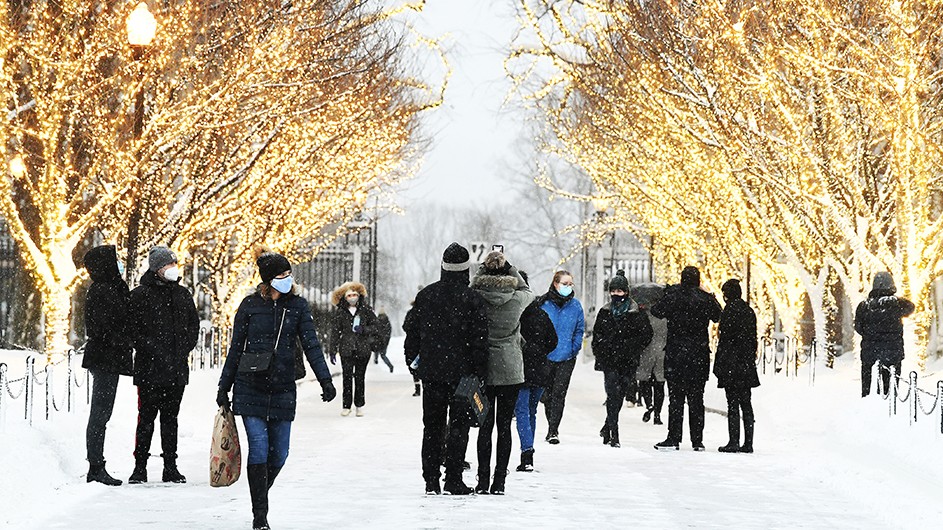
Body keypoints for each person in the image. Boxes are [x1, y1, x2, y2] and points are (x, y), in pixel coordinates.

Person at [217, 251, 337, 530]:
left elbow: (311, 344)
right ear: (268, 279)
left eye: (288, 275)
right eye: (281, 275)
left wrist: (325, 380)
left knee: (280, 453)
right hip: (250, 385)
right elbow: (235, 348)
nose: (287, 279)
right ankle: (260, 514)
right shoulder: (249, 306)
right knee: (258, 446)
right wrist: (224, 385)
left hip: (283, 386)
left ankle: (259, 492)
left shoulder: (298, 306)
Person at [403, 242, 489, 495]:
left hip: (432, 372)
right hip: (463, 374)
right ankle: (453, 478)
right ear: (466, 270)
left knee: (432, 425)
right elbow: (479, 340)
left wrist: (415, 365)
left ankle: (431, 479)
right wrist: (479, 372)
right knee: (459, 426)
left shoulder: (426, 296)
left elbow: (412, 334)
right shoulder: (473, 299)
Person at [127, 246, 200, 483]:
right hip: (149, 369)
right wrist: (153, 350)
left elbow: (193, 326)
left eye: (173, 264)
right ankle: (140, 467)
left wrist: (182, 349)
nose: (172, 269)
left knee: (171, 419)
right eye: (168, 265)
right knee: (146, 419)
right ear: (157, 268)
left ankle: (171, 465)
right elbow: (134, 331)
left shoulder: (182, 294)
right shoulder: (140, 295)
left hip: (176, 369)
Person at [471, 252, 533, 494]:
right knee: (504, 426)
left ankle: (482, 480)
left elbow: (470, 285)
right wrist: (510, 268)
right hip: (510, 368)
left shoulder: (476, 296)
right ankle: (500, 481)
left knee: (485, 426)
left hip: (484, 368)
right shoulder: (517, 298)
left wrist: (481, 273)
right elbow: (528, 289)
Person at [651, 266, 721, 451]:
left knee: (676, 399)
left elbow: (656, 310)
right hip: (698, 355)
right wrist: (709, 294)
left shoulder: (673, 297)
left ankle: (673, 437)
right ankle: (697, 441)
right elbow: (717, 315)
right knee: (697, 399)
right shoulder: (704, 299)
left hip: (676, 355)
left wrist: (670, 292)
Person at [82, 245, 134, 486]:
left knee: (102, 412)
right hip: (105, 359)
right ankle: (95, 465)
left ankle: (97, 463)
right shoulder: (103, 291)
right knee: (100, 413)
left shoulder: (110, 288)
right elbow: (105, 328)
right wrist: (125, 339)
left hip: (108, 358)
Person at [592, 271, 653, 448]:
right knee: (612, 393)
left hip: (628, 360)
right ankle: (614, 432)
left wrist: (633, 346)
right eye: (613, 291)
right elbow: (597, 336)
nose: (616, 295)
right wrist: (603, 349)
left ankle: (607, 426)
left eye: (620, 291)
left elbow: (646, 334)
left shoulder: (636, 312)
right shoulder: (605, 312)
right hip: (610, 360)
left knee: (619, 394)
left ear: (626, 292)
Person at [514, 271, 557, 472]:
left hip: (518, 368)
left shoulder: (513, 314)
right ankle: (528, 450)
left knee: (521, 411)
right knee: (531, 411)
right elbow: (553, 341)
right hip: (540, 370)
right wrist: (539, 353)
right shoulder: (541, 313)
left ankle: (527, 451)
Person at [713, 280, 760, 453]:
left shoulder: (728, 312)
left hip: (731, 363)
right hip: (745, 364)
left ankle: (734, 440)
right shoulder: (748, 311)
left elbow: (724, 341)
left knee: (732, 403)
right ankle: (748, 443)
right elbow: (752, 339)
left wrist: (720, 364)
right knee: (746, 403)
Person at [540, 270, 585, 445]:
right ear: (555, 284)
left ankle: (553, 430)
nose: (568, 287)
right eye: (564, 283)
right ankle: (551, 422)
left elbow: (579, 329)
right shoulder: (543, 304)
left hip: (566, 357)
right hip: (546, 357)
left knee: (559, 394)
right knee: (546, 394)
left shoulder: (575, 306)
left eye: (570, 284)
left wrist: (574, 348)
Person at [855, 271, 915, 397]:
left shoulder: (864, 305)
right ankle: (889, 399)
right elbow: (911, 307)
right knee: (890, 382)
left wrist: (870, 335)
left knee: (867, 377)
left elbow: (858, 327)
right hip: (893, 349)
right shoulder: (897, 303)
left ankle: (866, 396)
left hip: (870, 349)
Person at [329, 282, 378, 417]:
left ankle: (359, 405)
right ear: (344, 297)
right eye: (349, 295)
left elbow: (376, 326)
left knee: (360, 377)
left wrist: (364, 330)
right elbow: (335, 331)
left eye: (354, 295)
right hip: (346, 349)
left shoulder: (366, 310)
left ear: (359, 295)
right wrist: (332, 350)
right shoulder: (340, 312)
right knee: (347, 377)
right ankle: (346, 405)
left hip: (363, 349)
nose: (352, 297)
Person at [634, 283, 667, 424]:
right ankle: (657, 413)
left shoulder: (642, 315)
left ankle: (649, 405)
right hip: (662, 352)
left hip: (646, 351)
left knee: (645, 380)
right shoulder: (665, 315)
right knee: (659, 383)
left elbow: (639, 334)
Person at [403, 302, 422, 397]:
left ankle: (418, 387)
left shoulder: (411, 314)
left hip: (413, 343)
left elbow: (405, 326)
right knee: (415, 365)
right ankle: (419, 386)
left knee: (413, 365)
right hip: (419, 343)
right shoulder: (425, 313)